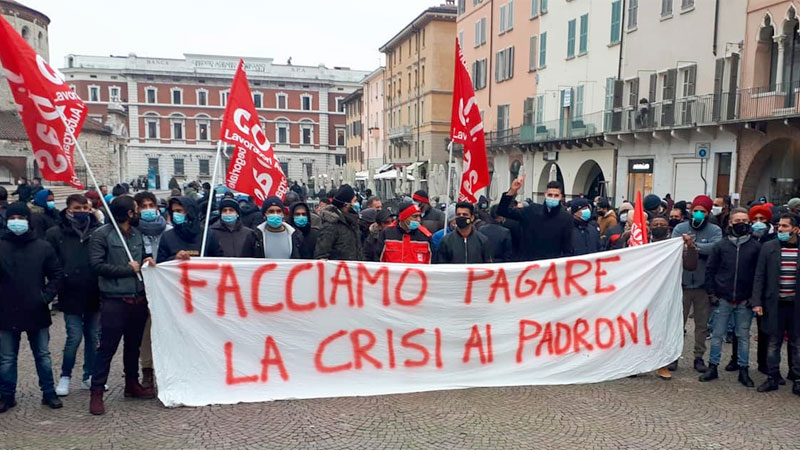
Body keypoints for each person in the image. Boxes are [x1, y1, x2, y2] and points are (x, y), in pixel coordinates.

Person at [88, 196, 155, 415]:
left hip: (137, 298)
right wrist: (127, 269)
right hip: (114, 299)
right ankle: (96, 392)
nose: (138, 213)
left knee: (133, 346)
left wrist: (147, 261)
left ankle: (131, 384)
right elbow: (97, 265)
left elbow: (141, 257)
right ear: (129, 213)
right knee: (107, 347)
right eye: (136, 209)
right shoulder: (102, 235)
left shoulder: (137, 234)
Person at [0, 202, 64, 412]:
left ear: (28, 221)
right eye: (13, 218)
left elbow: (56, 274)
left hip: (36, 309)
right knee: (7, 358)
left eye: (21, 218)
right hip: (6, 310)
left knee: (43, 355)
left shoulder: (42, 246)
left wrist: (45, 297)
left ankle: (48, 392)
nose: (16, 222)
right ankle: (7, 395)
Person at [45, 195, 102, 397]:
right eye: (78, 207)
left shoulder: (98, 231)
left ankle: (90, 375)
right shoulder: (55, 233)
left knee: (93, 337)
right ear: (68, 210)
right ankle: (65, 375)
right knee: (74, 337)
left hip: (94, 292)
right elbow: (51, 263)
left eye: (86, 207)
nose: (82, 211)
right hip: (70, 293)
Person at [700, 208, 760, 387]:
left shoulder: (756, 247)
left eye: (744, 220)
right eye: (737, 220)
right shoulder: (721, 245)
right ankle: (713, 366)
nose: (741, 223)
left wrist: (754, 298)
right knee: (717, 335)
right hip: (723, 297)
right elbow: (710, 270)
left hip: (745, 299)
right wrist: (712, 293)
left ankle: (743, 369)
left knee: (743, 336)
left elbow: (759, 274)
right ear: (730, 223)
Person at [671, 195, 723, 372]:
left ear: (708, 213)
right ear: (691, 211)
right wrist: (691, 247)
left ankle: (698, 357)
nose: (699, 214)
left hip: (703, 285)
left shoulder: (715, 230)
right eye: (696, 211)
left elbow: (715, 249)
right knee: (678, 323)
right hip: (683, 284)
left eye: (703, 211)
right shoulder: (680, 228)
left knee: (701, 325)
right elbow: (676, 247)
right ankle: (673, 356)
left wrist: (693, 246)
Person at [752, 214, 800, 395]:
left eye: (785, 226)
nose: (780, 229)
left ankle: (797, 378)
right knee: (773, 342)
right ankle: (772, 376)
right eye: (779, 226)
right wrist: (756, 301)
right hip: (774, 304)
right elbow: (759, 275)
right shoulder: (769, 247)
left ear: (796, 229)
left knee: (797, 343)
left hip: (795, 305)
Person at [497, 177, 573, 261]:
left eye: (556, 196)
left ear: (561, 197)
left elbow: (568, 248)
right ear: (545, 195)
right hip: (529, 264)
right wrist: (512, 191)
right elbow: (502, 211)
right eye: (550, 195)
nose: (552, 198)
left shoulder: (566, 218)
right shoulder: (532, 211)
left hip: (551, 267)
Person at [157, 196, 221, 263]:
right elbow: (160, 264)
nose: (175, 214)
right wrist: (174, 259)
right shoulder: (167, 237)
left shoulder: (207, 235)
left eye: (179, 211)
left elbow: (219, 260)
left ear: (190, 212)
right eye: (173, 211)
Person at [315, 184, 362, 261]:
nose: (357, 203)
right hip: (338, 271)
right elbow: (322, 254)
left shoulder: (353, 221)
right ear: (346, 204)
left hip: (353, 269)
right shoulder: (330, 225)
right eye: (354, 201)